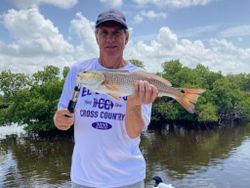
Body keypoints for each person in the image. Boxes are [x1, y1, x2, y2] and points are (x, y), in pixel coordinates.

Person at [53, 8, 158, 188]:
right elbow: (61, 115)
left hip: (128, 180)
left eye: (116, 33)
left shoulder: (139, 78)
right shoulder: (78, 71)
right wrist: (59, 120)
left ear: (126, 38)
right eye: (104, 33)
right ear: (96, 38)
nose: (110, 39)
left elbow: (134, 133)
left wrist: (132, 104)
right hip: (83, 179)